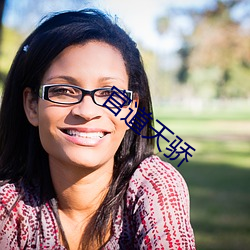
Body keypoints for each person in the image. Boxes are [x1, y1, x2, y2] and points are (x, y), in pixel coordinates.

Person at [0, 9, 196, 250]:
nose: (86, 110)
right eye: (64, 90)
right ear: (32, 106)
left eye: (109, 94)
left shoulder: (155, 186)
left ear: (131, 110)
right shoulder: (9, 207)